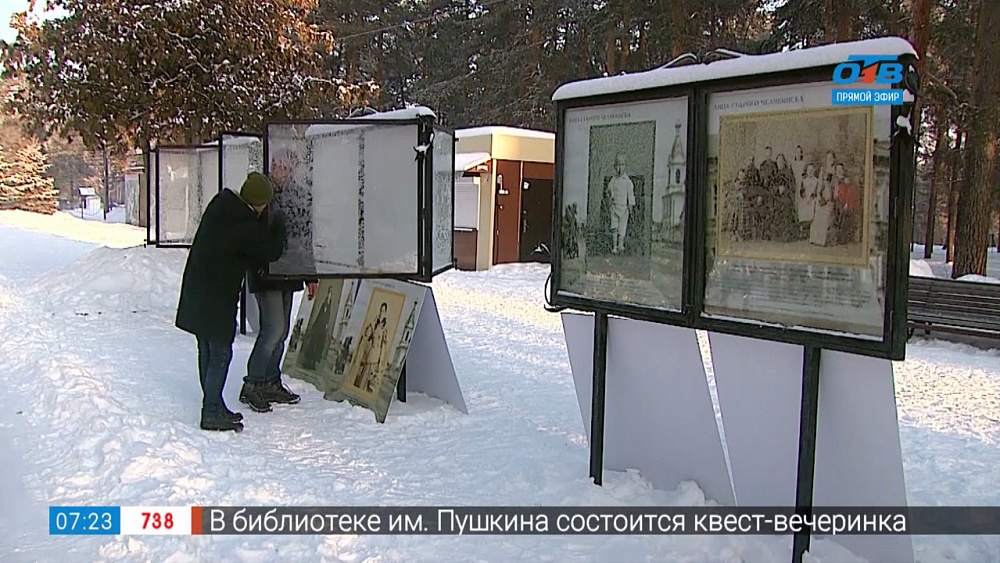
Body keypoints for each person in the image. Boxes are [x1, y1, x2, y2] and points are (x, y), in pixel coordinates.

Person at [175, 173, 285, 432]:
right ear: (259, 203)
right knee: (221, 353)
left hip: (197, 287)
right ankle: (211, 412)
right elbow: (270, 250)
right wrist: (278, 224)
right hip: (217, 295)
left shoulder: (221, 204)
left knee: (207, 348)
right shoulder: (244, 224)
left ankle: (213, 403)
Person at [239, 218, 319, 413]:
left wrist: (309, 274)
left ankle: (270, 381)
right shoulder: (266, 200)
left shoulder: (295, 196)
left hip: (287, 271)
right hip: (267, 273)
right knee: (272, 329)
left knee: (281, 331)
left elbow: (302, 234)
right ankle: (253, 383)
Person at [608, 153, 636, 255]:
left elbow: (630, 195)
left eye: (622, 165)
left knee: (622, 228)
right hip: (614, 207)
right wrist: (611, 197)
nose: (620, 167)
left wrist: (631, 206)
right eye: (618, 165)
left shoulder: (627, 182)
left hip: (624, 208)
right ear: (615, 167)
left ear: (625, 166)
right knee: (614, 227)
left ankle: (620, 244)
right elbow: (609, 189)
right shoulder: (613, 180)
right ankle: (614, 246)